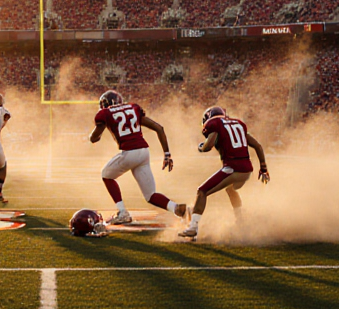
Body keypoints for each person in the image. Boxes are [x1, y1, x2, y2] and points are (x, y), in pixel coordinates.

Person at [89, 90, 186, 225]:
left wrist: (93, 136)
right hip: (144, 152)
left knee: (106, 175)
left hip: (130, 152)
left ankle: (122, 212)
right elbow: (159, 128)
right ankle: (177, 208)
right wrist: (167, 154)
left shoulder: (105, 113)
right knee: (150, 195)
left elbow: (94, 138)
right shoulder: (133, 108)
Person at [180, 106, 269, 240]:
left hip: (232, 168)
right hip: (247, 169)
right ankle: (240, 220)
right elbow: (258, 146)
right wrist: (263, 168)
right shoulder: (238, 123)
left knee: (202, 191)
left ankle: (193, 227)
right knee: (230, 190)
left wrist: (201, 148)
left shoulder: (214, 124)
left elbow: (208, 146)